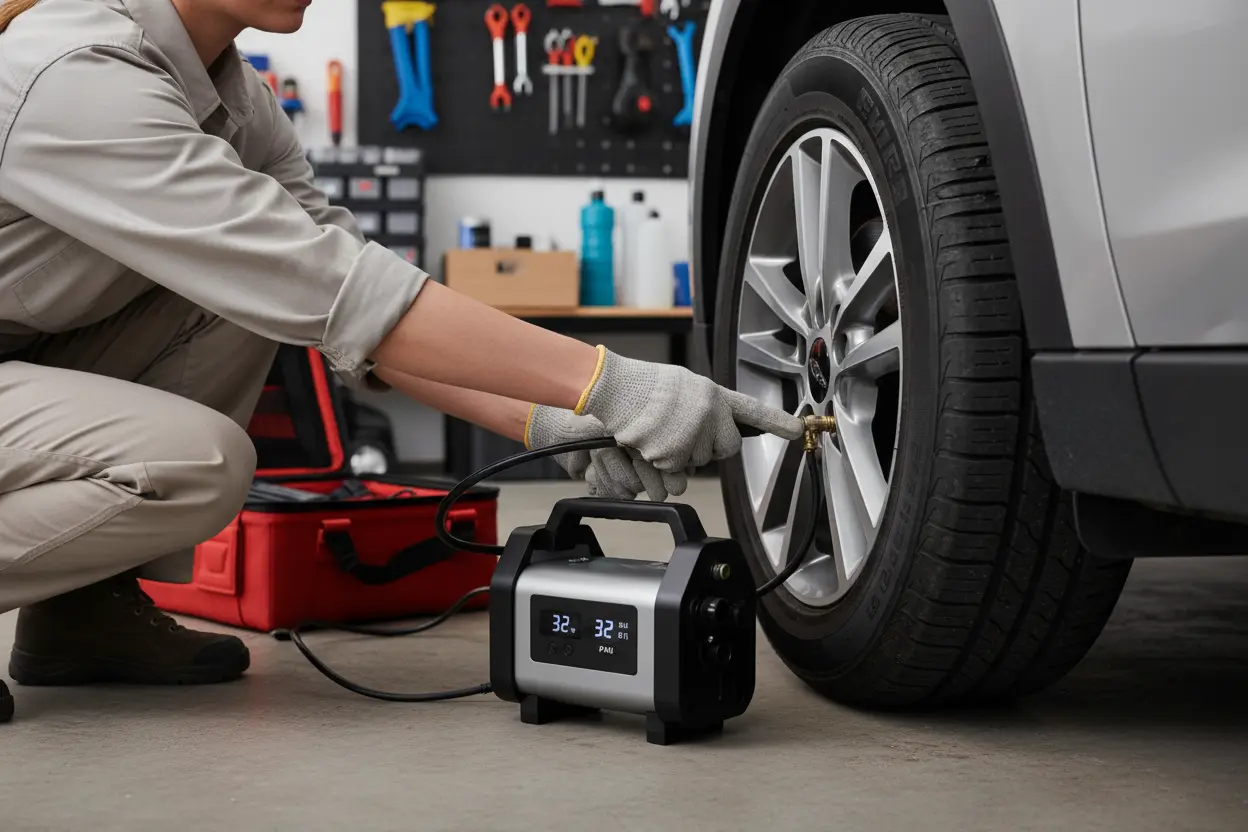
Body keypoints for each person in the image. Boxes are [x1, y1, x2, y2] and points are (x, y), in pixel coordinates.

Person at [0, 0, 802, 722]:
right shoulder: (81, 72)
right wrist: (609, 381)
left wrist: (550, 418)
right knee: (199, 463)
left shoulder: (234, 102)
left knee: (248, 285)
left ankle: (82, 613)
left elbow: (340, 302)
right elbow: (340, 291)